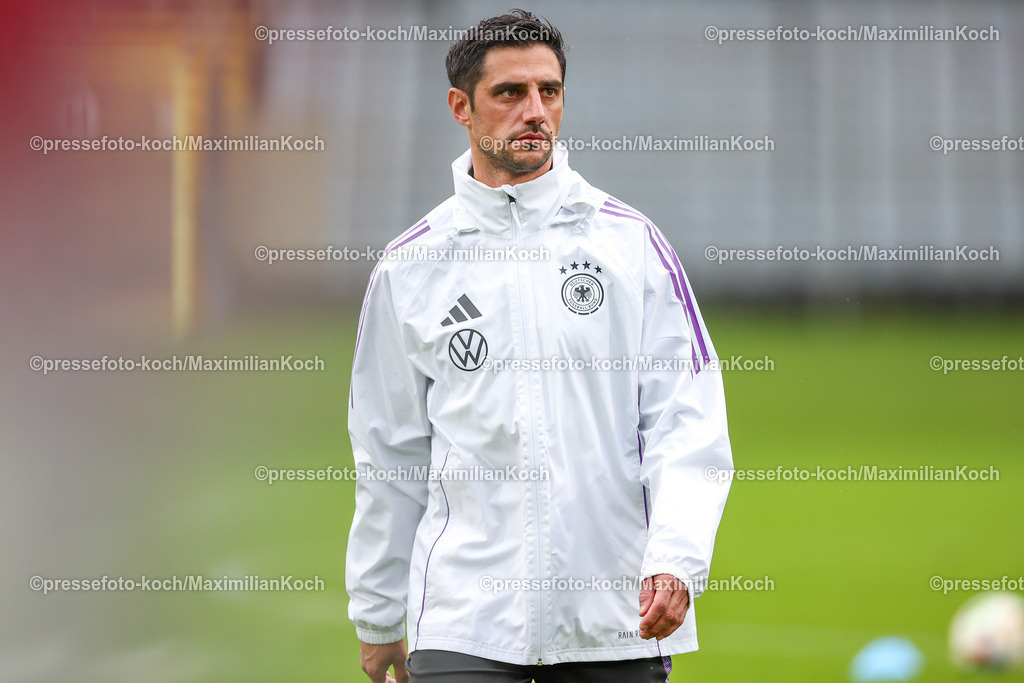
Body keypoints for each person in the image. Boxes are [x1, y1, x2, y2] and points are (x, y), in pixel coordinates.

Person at [346, 9, 733, 682]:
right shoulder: (410, 268)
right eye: (510, 93)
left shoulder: (630, 246)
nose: (536, 111)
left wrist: (677, 555)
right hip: (463, 621)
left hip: (612, 619)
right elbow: (388, 451)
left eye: (549, 91)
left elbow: (687, 419)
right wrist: (379, 614)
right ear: (460, 107)